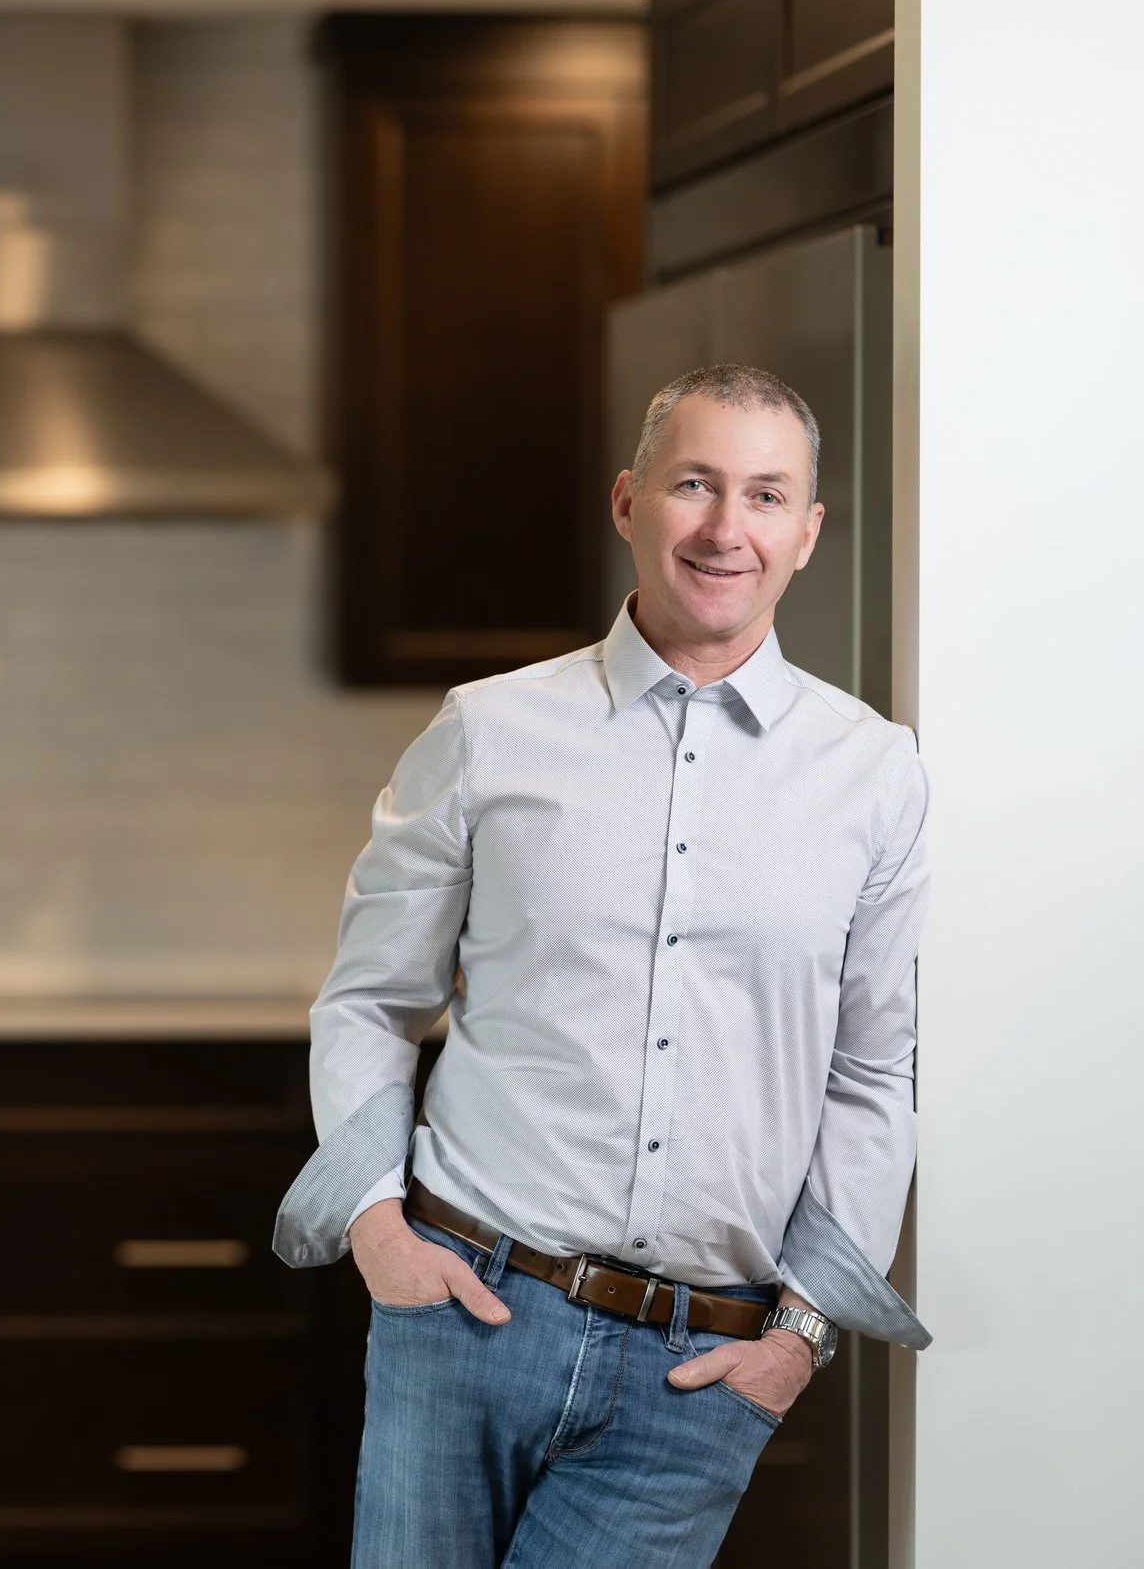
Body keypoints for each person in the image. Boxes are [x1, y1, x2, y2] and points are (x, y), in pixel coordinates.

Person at [274, 364, 931, 1568]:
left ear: (807, 533)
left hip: (698, 1371)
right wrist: (375, 1223)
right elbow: (372, 997)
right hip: (464, 1311)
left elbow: (871, 1070)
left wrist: (800, 1333)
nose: (727, 528)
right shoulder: (488, 728)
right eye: (695, 483)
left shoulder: (876, 775)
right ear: (629, 503)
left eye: (766, 495)